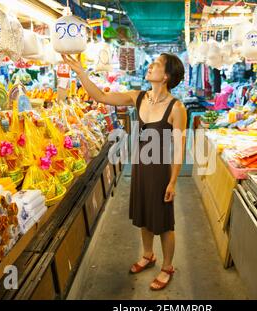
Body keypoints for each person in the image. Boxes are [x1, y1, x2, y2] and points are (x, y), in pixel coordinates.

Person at [62, 53, 187, 291]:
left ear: (167, 76)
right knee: (144, 215)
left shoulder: (176, 107)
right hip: (140, 167)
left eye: (157, 64)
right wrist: (81, 73)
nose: (150, 66)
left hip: (161, 171)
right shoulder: (138, 97)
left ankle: (168, 266)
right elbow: (101, 96)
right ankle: (148, 255)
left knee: (163, 222)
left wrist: (172, 182)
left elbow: (179, 149)